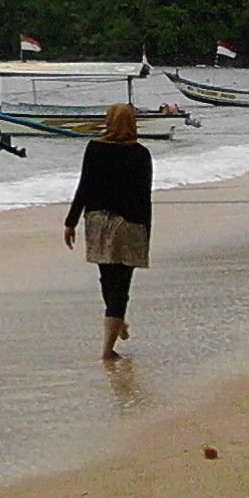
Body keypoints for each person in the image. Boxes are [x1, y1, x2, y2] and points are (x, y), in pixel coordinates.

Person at [62, 102, 152, 361]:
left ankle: (115, 322)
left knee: (106, 279)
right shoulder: (141, 153)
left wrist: (71, 222)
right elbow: (144, 198)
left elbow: (84, 187)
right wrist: (145, 235)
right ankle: (109, 344)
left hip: (98, 220)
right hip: (130, 225)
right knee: (121, 285)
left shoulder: (95, 148)